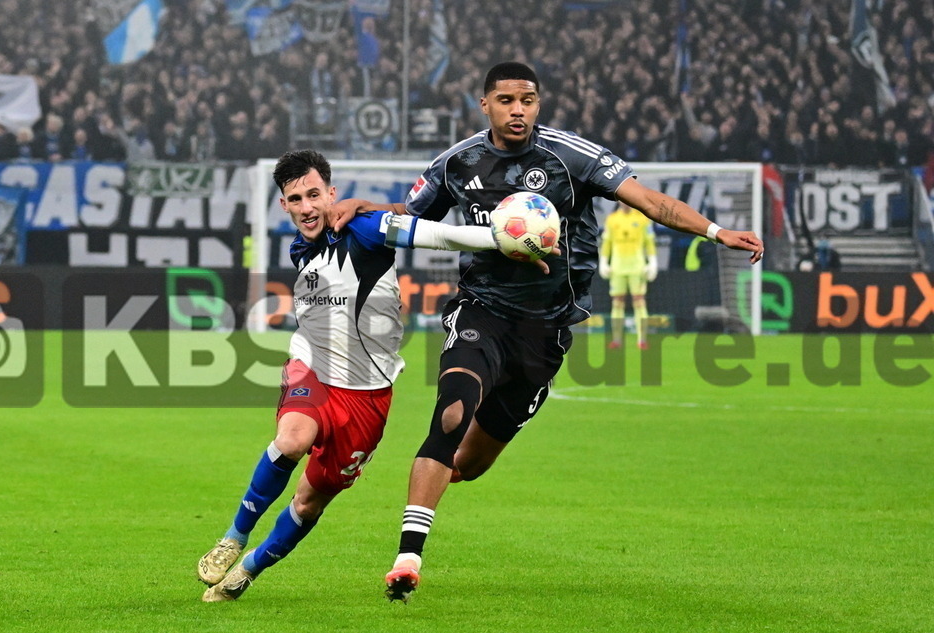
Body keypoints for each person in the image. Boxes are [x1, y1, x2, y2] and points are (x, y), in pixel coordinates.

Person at [328, 61, 764, 603]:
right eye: (507, 100)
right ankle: (408, 558)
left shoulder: (571, 156)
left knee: (470, 464)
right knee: (451, 412)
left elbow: (652, 202)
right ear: (484, 104)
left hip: (546, 330)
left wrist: (717, 232)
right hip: (481, 310)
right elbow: (412, 212)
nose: (519, 110)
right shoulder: (458, 162)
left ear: (538, 103)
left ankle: (435, 477)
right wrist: (366, 207)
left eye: (528, 100)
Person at [198, 149, 518, 602]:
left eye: (314, 194)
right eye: (295, 199)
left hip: (368, 398)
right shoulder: (301, 245)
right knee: (292, 439)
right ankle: (234, 537)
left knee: (310, 501)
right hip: (312, 368)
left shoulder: (365, 229)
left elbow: (439, 236)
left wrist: (501, 239)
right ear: (283, 206)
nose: (307, 207)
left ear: (331, 193)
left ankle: (248, 570)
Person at [599, 202, 657, 350]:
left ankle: (642, 340)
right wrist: (604, 262)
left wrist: (652, 262)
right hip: (618, 267)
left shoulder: (643, 219)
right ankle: (617, 339)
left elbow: (649, 242)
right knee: (617, 302)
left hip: (637, 267)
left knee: (639, 301)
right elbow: (607, 242)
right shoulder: (612, 219)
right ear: (618, 200)